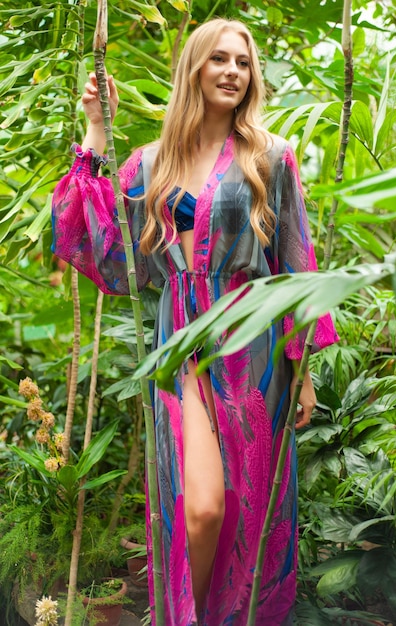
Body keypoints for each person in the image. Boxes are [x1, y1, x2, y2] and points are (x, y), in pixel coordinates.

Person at [51, 18, 338, 626]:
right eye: (219, 60)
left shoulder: (271, 156)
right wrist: (97, 124)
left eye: (243, 62)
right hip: (181, 337)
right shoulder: (151, 162)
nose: (233, 71)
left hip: (254, 343)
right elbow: (109, 249)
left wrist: (303, 367)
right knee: (201, 507)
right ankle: (181, 616)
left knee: (247, 505)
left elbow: (296, 263)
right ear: (195, 69)